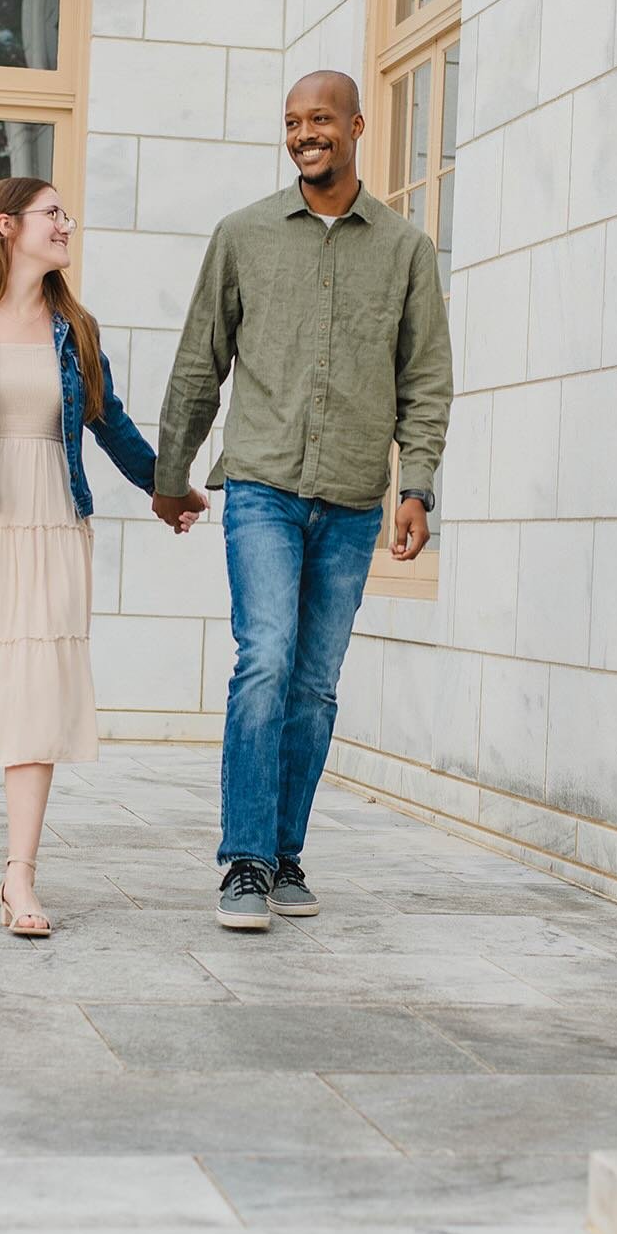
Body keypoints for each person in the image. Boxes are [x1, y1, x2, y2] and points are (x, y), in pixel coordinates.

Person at [153, 71, 453, 930]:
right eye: (290, 122)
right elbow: (198, 361)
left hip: (356, 495)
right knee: (266, 659)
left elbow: (425, 379)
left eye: (319, 119)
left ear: (357, 125)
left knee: (315, 686)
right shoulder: (243, 235)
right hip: (261, 489)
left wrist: (417, 484)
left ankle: (285, 853)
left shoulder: (405, 250)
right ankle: (243, 862)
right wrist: (170, 475)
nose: (303, 134)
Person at [0, 176, 204, 935]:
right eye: (51, 212)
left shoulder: (75, 328)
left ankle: (20, 875)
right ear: (5, 224)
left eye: (66, 214)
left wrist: (168, 487)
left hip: (51, 519)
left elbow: (109, 423)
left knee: (32, 684)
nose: (66, 224)